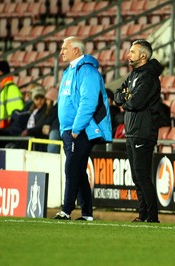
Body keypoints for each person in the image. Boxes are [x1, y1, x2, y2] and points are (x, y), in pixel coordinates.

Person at [54, 36, 112, 221]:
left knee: (71, 168)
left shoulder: (87, 71)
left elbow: (88, 101)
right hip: (69, 129)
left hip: (82, 129)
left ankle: (66, 210)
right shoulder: (69, 71)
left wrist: (77, 128)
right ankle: (87, 214)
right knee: (78, 171)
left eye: (64, 48)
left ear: (76, 50)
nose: (61, 51)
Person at [114, 40, 163, 223]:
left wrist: (127, 98)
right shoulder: (134, 75)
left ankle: (151, 217)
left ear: (143, 56)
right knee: (136, 176)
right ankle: (143, 215)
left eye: (132, 52)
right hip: (132, 131)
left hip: (143, 132)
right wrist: (126, 97)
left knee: (142, 176)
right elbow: (118, 95)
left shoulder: (149, 77)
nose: (129, 55)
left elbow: (135, 102)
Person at [42, 87, 60, 153]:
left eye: (48, 100)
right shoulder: (49, 109)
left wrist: (48, 127)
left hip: (56, 131)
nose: (46, 102)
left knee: (53, 134)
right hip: (52, 131)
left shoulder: (57, 108)